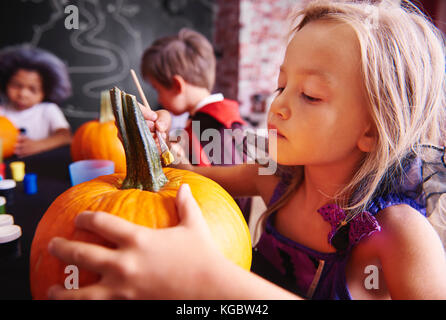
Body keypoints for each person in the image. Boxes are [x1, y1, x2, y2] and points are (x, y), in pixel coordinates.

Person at [47, 0, 446, 300]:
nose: (279, 106)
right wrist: (159, 148)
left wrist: (211, 279)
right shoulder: (273, 176)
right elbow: (182, 180)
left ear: (373, 131)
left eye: (309, 95)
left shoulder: (399, 235)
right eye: (281, 85)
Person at [141, 28, 251, 219]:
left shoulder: (212, 125)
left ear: (177, 85)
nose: (158, 97)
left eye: (158, 90)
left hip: (219, 224)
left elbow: (229, 193)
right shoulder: (217, 117)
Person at [0, 45, 72, 157]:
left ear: (46, 91)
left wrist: (40, 145)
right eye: (16, 85)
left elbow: (65, 137)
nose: (23, 94)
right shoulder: (3, 111)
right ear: (5, 83)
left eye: (33, 89)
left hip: (42, 166)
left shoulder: (48, 110)